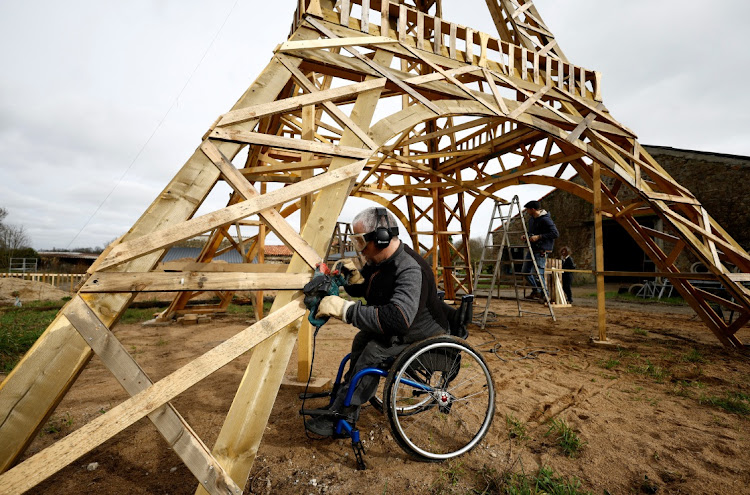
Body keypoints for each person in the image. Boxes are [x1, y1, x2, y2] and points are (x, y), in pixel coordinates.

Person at [306, 207, 449, 437]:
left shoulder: (410, 268)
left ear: (381, 239)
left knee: (374, 350)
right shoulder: (381, 262)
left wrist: (345, 309)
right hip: (407, 329)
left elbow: (398, 318)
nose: (358, 248)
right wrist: (352, 281)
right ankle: (341, 404)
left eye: (360, 241)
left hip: (424, 335)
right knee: (363, 338)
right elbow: (373, 290)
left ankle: (343, 416)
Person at [520, 200, 559, 300]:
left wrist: (539, 237)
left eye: (527, 209)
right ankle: (536, 291)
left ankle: (545, 295)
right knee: (525, 271)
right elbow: (532, 232)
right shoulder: (532, 220)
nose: (526, 211)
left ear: (532, 209)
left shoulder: (546, 220)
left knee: (538, 273)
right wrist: (527, 236)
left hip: (542, 249)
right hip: (533, 248)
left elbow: (555, 234)